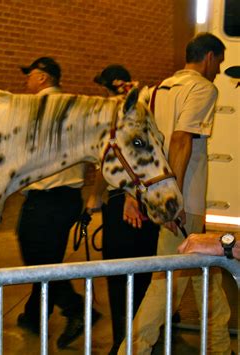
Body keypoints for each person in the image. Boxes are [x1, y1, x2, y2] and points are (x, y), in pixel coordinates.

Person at [118, 33, 232, 355]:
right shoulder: (202, 88)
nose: (218, 70)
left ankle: (220, 347)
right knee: (165, 286)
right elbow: (181, 140)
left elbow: (137, 145)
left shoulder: (156, 91)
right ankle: (133, 350)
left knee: (204, 275)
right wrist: (174, 200)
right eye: (219, 63)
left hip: (166, 198)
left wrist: (135, 195)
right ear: (209, 57)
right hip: (183, 202)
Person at [16, 57, 100, 349]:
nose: (26, 81)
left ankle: (77, 310)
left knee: (37, 261)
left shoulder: (37, 108)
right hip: (68, 199)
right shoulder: (77, 107)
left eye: (30, 75)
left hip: (44, 198)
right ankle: (33, 315)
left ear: (43, 78)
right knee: (47, 257)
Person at [86, 64, 160, 354]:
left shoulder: (119, 113)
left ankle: (125, 342)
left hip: (126, 205)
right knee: (144, 272)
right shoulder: (148, 105)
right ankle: (143, 337)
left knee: (120, 276)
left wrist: (96, 199)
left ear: (111, 86)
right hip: (149, 200)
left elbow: (107, 165)